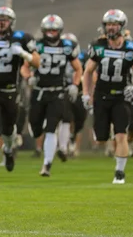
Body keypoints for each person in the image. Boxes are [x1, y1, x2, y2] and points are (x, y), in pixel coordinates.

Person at [0, 6, 39, 178]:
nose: (2, 23)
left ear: (11, 22)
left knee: (9, 128)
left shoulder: (21, 38)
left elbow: (37, 62)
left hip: (10, 89)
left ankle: (9, 150)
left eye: (5, 20)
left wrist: (24, 54)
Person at [82, 10, 133, 184]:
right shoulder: (98, 45)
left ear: (122, 26)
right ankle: (109, 132)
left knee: (121, 135)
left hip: (121, 96)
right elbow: (88, 72)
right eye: (108, 24)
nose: (110, 27)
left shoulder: (131, 48)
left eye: (114, 24)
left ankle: (119, 173)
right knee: (101, 137)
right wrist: (86, 94)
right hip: (101, 96)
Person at [30, 15, 82, 177]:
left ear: (59, 31)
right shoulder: (36, 45)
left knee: (51, 127)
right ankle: (46, 153)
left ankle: (47, 164)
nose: (51, 33)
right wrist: (28, 76)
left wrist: (74, 84)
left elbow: (78, 68)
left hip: (57, 91)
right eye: (48, 30)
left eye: (54, 30)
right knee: (35, 128)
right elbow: (26, 66)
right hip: (39, 90)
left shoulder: (68, 46)